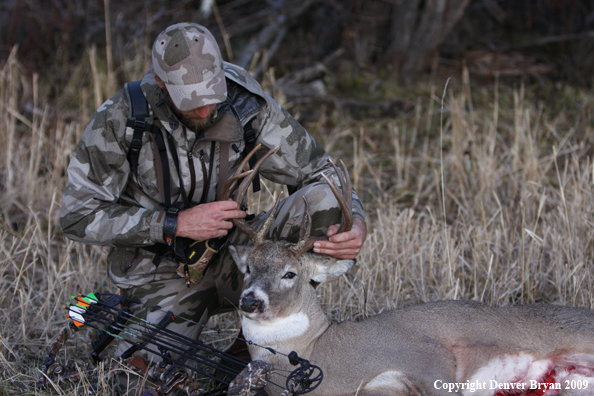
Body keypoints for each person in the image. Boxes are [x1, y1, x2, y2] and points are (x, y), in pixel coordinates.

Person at [60, 22, 366, 394]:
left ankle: (255, 342)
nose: (206, 109)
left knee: (326, 200)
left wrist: (355, 220)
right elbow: (77, 216)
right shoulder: (121, 119)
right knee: (137, 383)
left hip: (244, 259)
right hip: (160, 271)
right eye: (191, 100)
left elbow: (321, 171)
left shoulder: (245, 102)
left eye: (213, 94)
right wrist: (172, 223)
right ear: (160, 82)